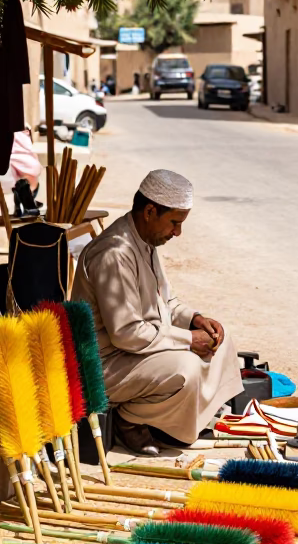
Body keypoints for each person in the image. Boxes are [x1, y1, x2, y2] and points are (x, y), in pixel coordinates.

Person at [71, 169, 242, 455]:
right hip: (106, 364)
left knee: (221, 343)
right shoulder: (114, 253)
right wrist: (188, 340)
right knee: (185, 369)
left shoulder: (146, 240)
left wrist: (195, 320)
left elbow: (166, 303)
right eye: (174, 223)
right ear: (150, 211)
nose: (177, 232)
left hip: (138, 350)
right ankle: (132, 419)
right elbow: (127, 334)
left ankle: (182, 419)